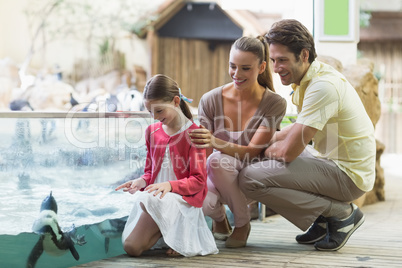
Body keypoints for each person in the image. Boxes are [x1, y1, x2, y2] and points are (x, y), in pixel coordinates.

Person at [238, 19, 376, 251]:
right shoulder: (313, 77)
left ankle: (341, 214)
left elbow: (288, 152)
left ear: (303, 55)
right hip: (330, 161)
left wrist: (257, 149)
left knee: (250, 177)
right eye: (272, 60)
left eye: (282, 60)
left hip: (348, 176)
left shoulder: (322, 87)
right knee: (261, 159)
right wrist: (263, 141)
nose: (275, 67)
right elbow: (299, 127)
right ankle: (322, 220)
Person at [189, 36, 287, 248]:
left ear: (261, 67)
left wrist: (214, 142)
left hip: (251, 173)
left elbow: (252, 152)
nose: (237, 74)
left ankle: (242, 223)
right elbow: (202, 151)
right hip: (219, 172)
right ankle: (220, 218)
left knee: (216, 160)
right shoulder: (210, 99)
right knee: (201, 203)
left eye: (245, 68)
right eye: (232, 66)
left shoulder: (274, 103)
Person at [115, 74, 218, 257]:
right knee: (132, 246)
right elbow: (150, 172)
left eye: (159, 111)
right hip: (157, 198)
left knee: (137, 235)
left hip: (180, 200)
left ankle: (179, 231)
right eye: (150, 112)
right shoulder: (151, 132)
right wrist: (141, 181)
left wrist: (170, 186)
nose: (155, 117)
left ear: (176, 101)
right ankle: (170, 233)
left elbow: (198, 181)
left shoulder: (195, 134)